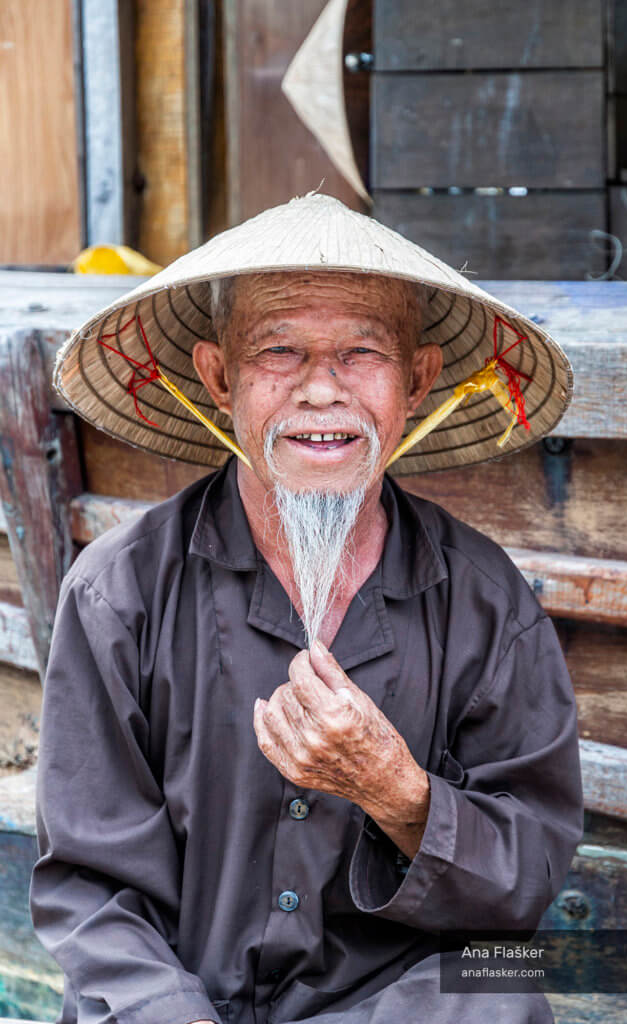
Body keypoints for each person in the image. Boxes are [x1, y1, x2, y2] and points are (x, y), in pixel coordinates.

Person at [30, 193, 584, 1024]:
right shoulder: (121, 593)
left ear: (418, 381)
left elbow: (525, 883)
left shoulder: (486, 602)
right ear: (220, 379)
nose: (321, 389)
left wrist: (400, 793)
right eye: (279, 351)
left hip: (392, 1006)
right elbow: (92, 892)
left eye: (362, 352)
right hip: (178, 1002)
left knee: (505, 987)